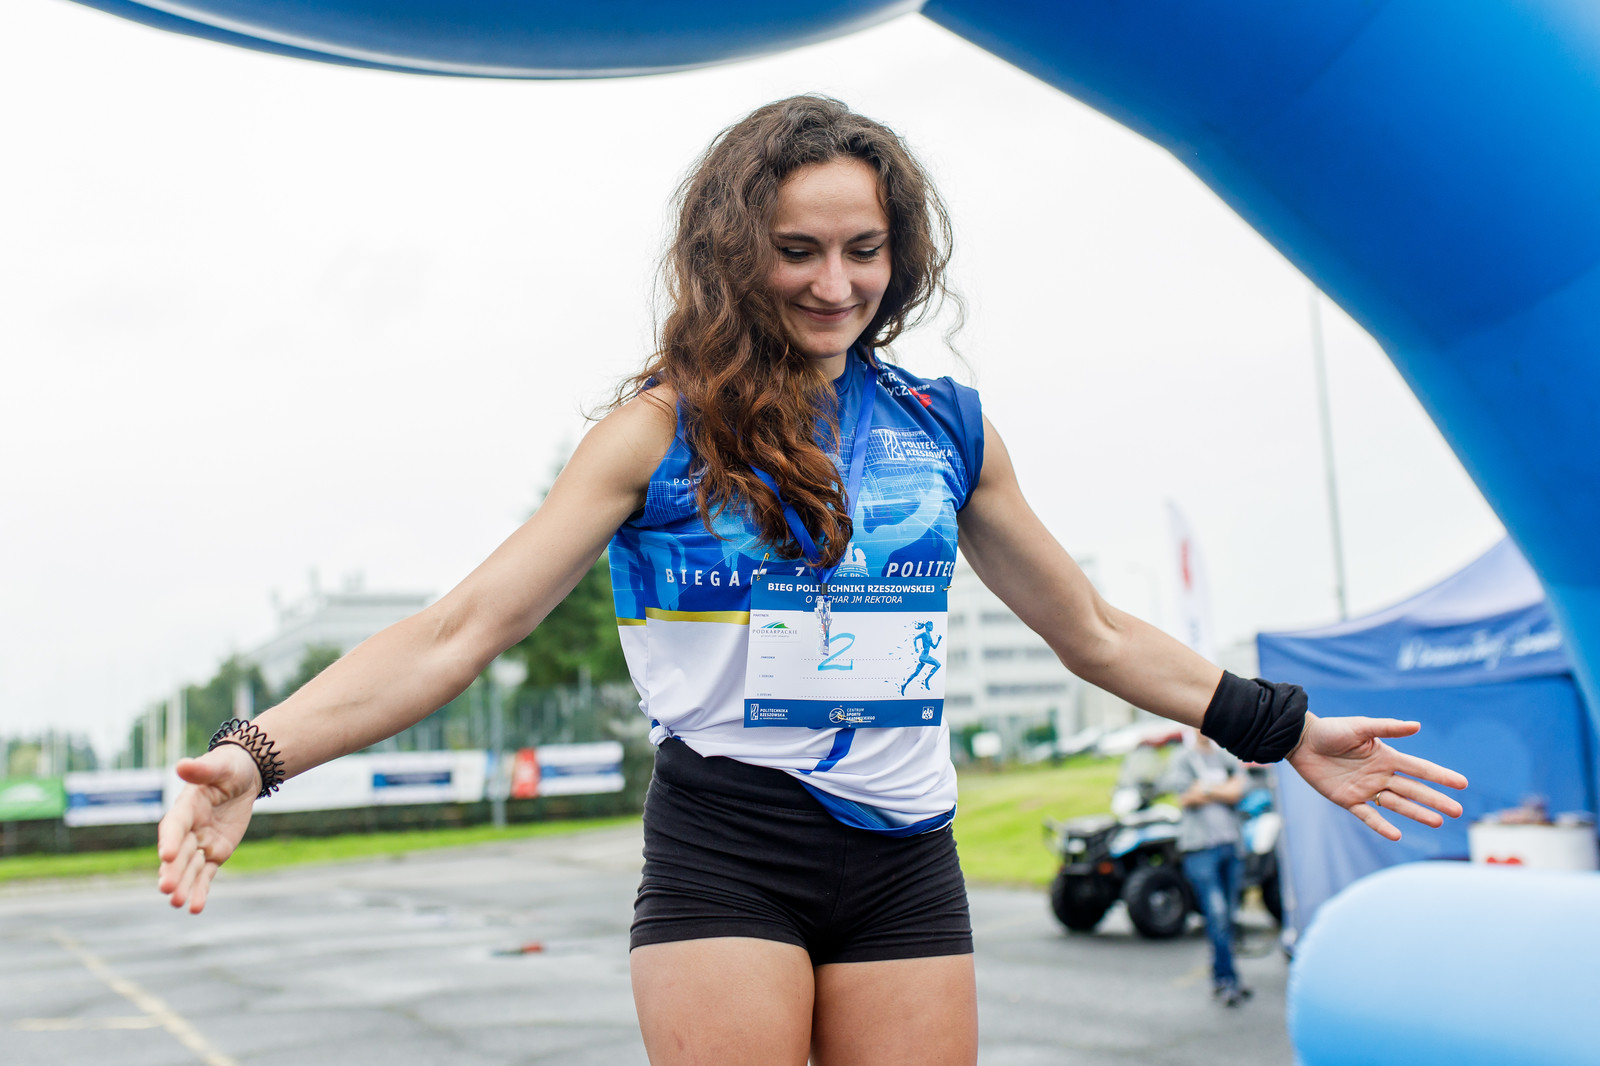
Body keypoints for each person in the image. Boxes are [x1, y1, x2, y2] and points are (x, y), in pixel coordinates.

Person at [156, 95, 1468, 1066]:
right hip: (730, 845)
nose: (835, 284)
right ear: (737, 252)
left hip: (906, 854)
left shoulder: (948, 429)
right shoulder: (656, 432)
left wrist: (1280, 727)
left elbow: (1091, 629)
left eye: (864, 249)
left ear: (901, 256)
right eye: (797, 249)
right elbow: (463, 629)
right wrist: (257, 753)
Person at [1161, 731, 1253, 1006]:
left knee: (1229, 916)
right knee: (1217, 915)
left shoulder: (1223, 757)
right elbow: (1185, 797)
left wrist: (1206, 789)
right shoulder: (1183, 759)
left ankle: (1226, 975)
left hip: (1230, 845)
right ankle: (1225, 980)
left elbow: (1240, 790)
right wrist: (1223, 790)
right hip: (1201, 850)